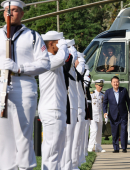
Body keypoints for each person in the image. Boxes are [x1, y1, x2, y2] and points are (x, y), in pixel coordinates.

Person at [0, 1, 50, 169]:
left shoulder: (33, 36)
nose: (10, 13)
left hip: (24, 88)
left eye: (14, 10)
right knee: (4, 138)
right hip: (1, 88)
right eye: (7, 10)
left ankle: (26, 167)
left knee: (23, 134)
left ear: (22, 14)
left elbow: (45, 63)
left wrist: (20, 68)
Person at [38, 31, 69, 170]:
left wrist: (62, 46)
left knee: (57, 151)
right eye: (59, 42)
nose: (61, 44)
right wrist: (64, 47)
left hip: (56, 109)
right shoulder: (47, 60)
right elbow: (63, 58)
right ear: (51, 44)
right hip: (52, 110)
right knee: (52, 152)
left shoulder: (52, 59)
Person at [103, 76, 130, 153]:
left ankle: (124, 147)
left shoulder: (124, 90)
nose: (116, 83)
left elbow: (128, 101)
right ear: (111, 83)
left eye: (117, 82)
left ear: (119, 82)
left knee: (123, 131)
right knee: (114, 132)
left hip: (123, 114)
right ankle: (116, 148)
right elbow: (105, 103)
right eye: (114, 82)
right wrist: (105, 112)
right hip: (113, 115)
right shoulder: (108, 92)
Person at [61, 39, 78, 170]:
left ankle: (69, 165)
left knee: (70, 138)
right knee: (66, 138)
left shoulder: (70, 67)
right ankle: (66, 166)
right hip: (67, 104)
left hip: (71, 103)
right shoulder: (64, 64)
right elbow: (72, 58)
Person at [72, 52, 86, 170]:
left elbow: (81, 70)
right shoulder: (69, 69)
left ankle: (75, 161)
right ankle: (73, 163)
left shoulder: (76, 69)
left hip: (78, 106)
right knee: (72, 138)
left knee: (78, 137)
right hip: (73, 106)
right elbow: (79, 70)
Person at [88, 79, 106, 153]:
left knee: (99, 132)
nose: (100, 87)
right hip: (92, 115)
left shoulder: (103, 95)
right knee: (94, 130)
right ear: (95, 85)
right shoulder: (91, 94)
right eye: (99, 85)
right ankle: (90, 146)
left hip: (99, 115)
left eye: (101, 86)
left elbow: (104, 106)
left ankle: (98, 147)